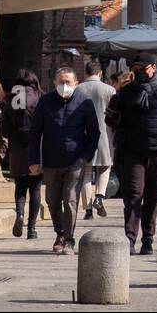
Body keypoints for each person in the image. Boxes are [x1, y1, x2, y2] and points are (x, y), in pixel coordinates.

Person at [108, 57, 157, 255]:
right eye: (135, 68)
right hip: (132, 150)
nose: (140, 71)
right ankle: (130, 238)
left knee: (151, 196)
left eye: (143, 68)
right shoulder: (126, 92)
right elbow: (113, 121)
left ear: (153, 68)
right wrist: (116, 96)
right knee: (134, 193)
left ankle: (148, 239)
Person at [28, 65, 101, 255]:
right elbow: (35, 132)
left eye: (68, 82)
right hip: (51, 160)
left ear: (76, 83)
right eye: (61, 82)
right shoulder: (45, 102)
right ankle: (59, 232)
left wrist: (86, 156)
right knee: (52, 200)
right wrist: (34, 160)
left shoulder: (84, 102)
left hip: (75, 160)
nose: (64, 85)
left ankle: (68, 239)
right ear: (54, 83)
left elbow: (94, 132)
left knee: (70, 199)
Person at [2, 69, 43, 239]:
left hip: (18, 148)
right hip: (36, 147)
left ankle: (19, 214)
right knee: (35, 187)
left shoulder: (10, 99)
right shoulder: (40, 97)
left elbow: (4, 128)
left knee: (20, 185)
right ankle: (31, 228)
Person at [78, 59, 117, 220]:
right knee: (105, 167)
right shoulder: (109, 90)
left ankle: (87, 209)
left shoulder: (77, 89)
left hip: (83, 134)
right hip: (105, 134)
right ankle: (100, 196)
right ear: (100, 73)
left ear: (86, 72)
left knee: (85, 172)